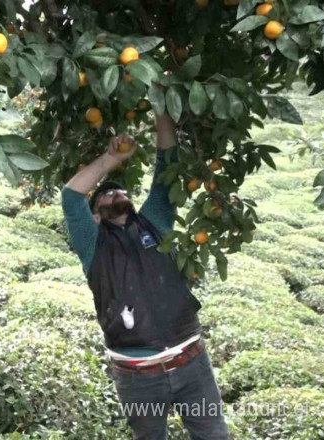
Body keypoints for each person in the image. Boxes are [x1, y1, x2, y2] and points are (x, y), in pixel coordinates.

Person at [61, 114, 229, 440]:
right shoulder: (92, 244)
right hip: (138, 377)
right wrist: (112, 159)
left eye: (121, 191)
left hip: (192, 362)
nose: (116, 193)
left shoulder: (155, 221)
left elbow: (168, 164)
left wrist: (162, 109)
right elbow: (71, 196)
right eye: (106, 195)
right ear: (94, 216)